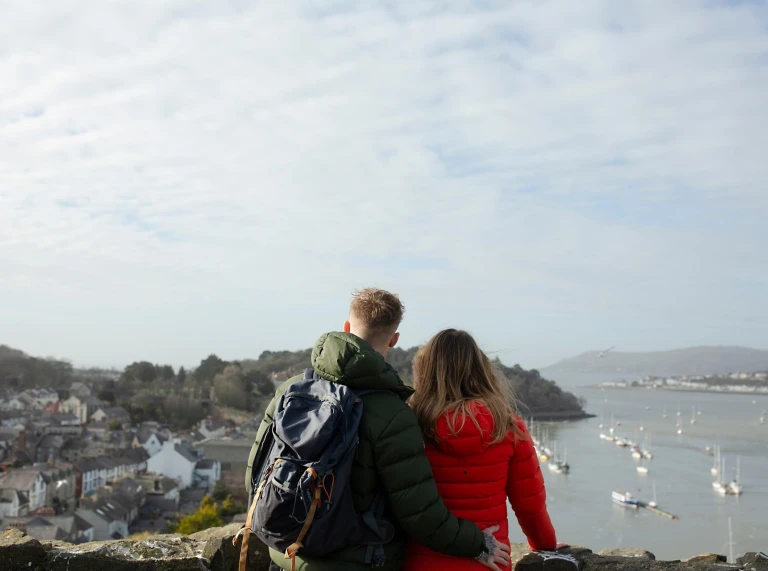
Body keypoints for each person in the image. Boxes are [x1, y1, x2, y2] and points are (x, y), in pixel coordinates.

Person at [245, 288, 510, 571]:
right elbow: (420, 514)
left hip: (286, 557)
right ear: (394, 340)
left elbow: (256, 472)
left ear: (346, 327)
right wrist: (478, 544)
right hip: (360, 562)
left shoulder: (291, 390)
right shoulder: (393, 413)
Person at [405, 329, 558, 571]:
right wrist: (546, 545)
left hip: (420, 559)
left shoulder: (408, 424)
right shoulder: (508, 426)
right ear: (481, 369)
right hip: (491, 562)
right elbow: (530, 506)